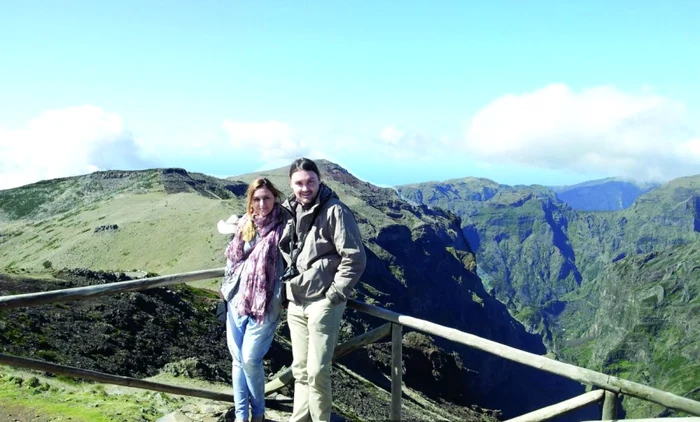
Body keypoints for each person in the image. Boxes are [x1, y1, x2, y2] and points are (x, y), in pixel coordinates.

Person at [279, 158, 367, 422]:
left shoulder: (335, 211)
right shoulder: (288, 211)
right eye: (299, 183)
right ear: (291, 184)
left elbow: (355, 257)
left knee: (318, 371)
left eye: (310, 182)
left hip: (322, 302)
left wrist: (334, 295)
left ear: (320, 181)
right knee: (300, 370)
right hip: (295, 301)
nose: (305, 188)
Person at [218, 177, 288, 422]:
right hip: (237, 301)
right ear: (250, 201)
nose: (261, 204)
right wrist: (226, 291)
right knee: (238, 361)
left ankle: (258, 414)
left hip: (266, 305)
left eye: (266, 198)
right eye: (256, 199)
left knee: (250, 359)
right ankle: (241, 416)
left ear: (275, 198)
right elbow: (232, 261)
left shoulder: (285, 227)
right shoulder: (245, 225)